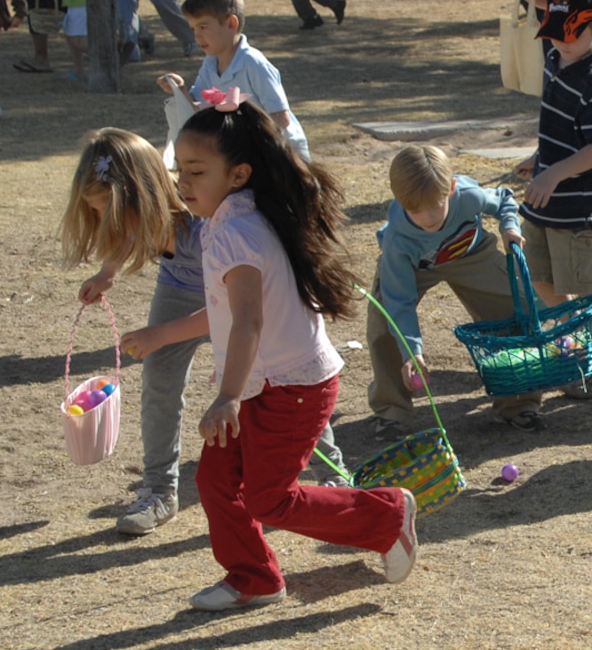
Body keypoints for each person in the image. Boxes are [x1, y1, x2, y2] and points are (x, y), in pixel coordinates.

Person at [118, 100, 414, 609]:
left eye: (196, 171)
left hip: (290, 388)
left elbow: (249, 321)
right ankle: (254, 578)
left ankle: (386, 516)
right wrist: (162, 336)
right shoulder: (229, 219)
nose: (183, 183)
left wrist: (228, 395)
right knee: (214, 479)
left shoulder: (235, 231)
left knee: (269, 498)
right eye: (178, 171)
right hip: (259, 384)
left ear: (238, 174)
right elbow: (231, 315)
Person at [60, 129, 353, 538]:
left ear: (143, 194)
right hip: (180, 288)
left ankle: (332, 471)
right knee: (159, 378)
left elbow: (229, 313)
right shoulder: (140, 217)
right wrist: (107, 273)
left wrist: (161, 334)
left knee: (284, 379)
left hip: (232, 298)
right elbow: (130, 232)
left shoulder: (206, 224)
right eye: (97, 213)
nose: (107, 223)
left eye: (109, 211)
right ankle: (159, 489)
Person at [370, 145, 547, 433]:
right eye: (415, 210)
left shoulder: (468, 196)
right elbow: (399, 301)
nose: (428, 218)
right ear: (401, 203)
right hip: (415, 266)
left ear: (450, 189)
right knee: (383, 321)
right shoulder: (396, 239)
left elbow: (504, 200)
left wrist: (509, 226)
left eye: (436, 206)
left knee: (515, 308)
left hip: (470, 252)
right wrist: (411, 352)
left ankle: (518, 402)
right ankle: (392, 412)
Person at [519, 0, 592, 399]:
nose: (561, 42)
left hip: (579, 204)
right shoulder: (554, 61)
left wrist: (555, 172)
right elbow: (558, 125)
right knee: (541, 276)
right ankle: (574, 345)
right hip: (548, 196)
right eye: (555, 32)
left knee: (588, 286)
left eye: (571, 34)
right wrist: (538, 158)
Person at [157, 0, 314, 160]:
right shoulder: (210, 64)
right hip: (244, 155)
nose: (197, 36)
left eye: (203, 27)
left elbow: (280, 118)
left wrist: (244, 141)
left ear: (231, 23)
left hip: (282, 154)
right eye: (193, 29)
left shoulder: (253, 63)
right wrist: (180, 90)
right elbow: (197, 111)